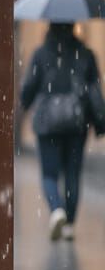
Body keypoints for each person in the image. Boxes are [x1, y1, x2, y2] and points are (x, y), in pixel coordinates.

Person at [19, 21, 105, 240]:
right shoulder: (86, 54)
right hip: (76, 123)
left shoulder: (41, 54)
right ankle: (69, 224)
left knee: (49, 174)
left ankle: (56, 209)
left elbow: (28, 89)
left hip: (48, 124)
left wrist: (24, 106)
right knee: (72, 174)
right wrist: (99, 122)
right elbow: (95, 91)